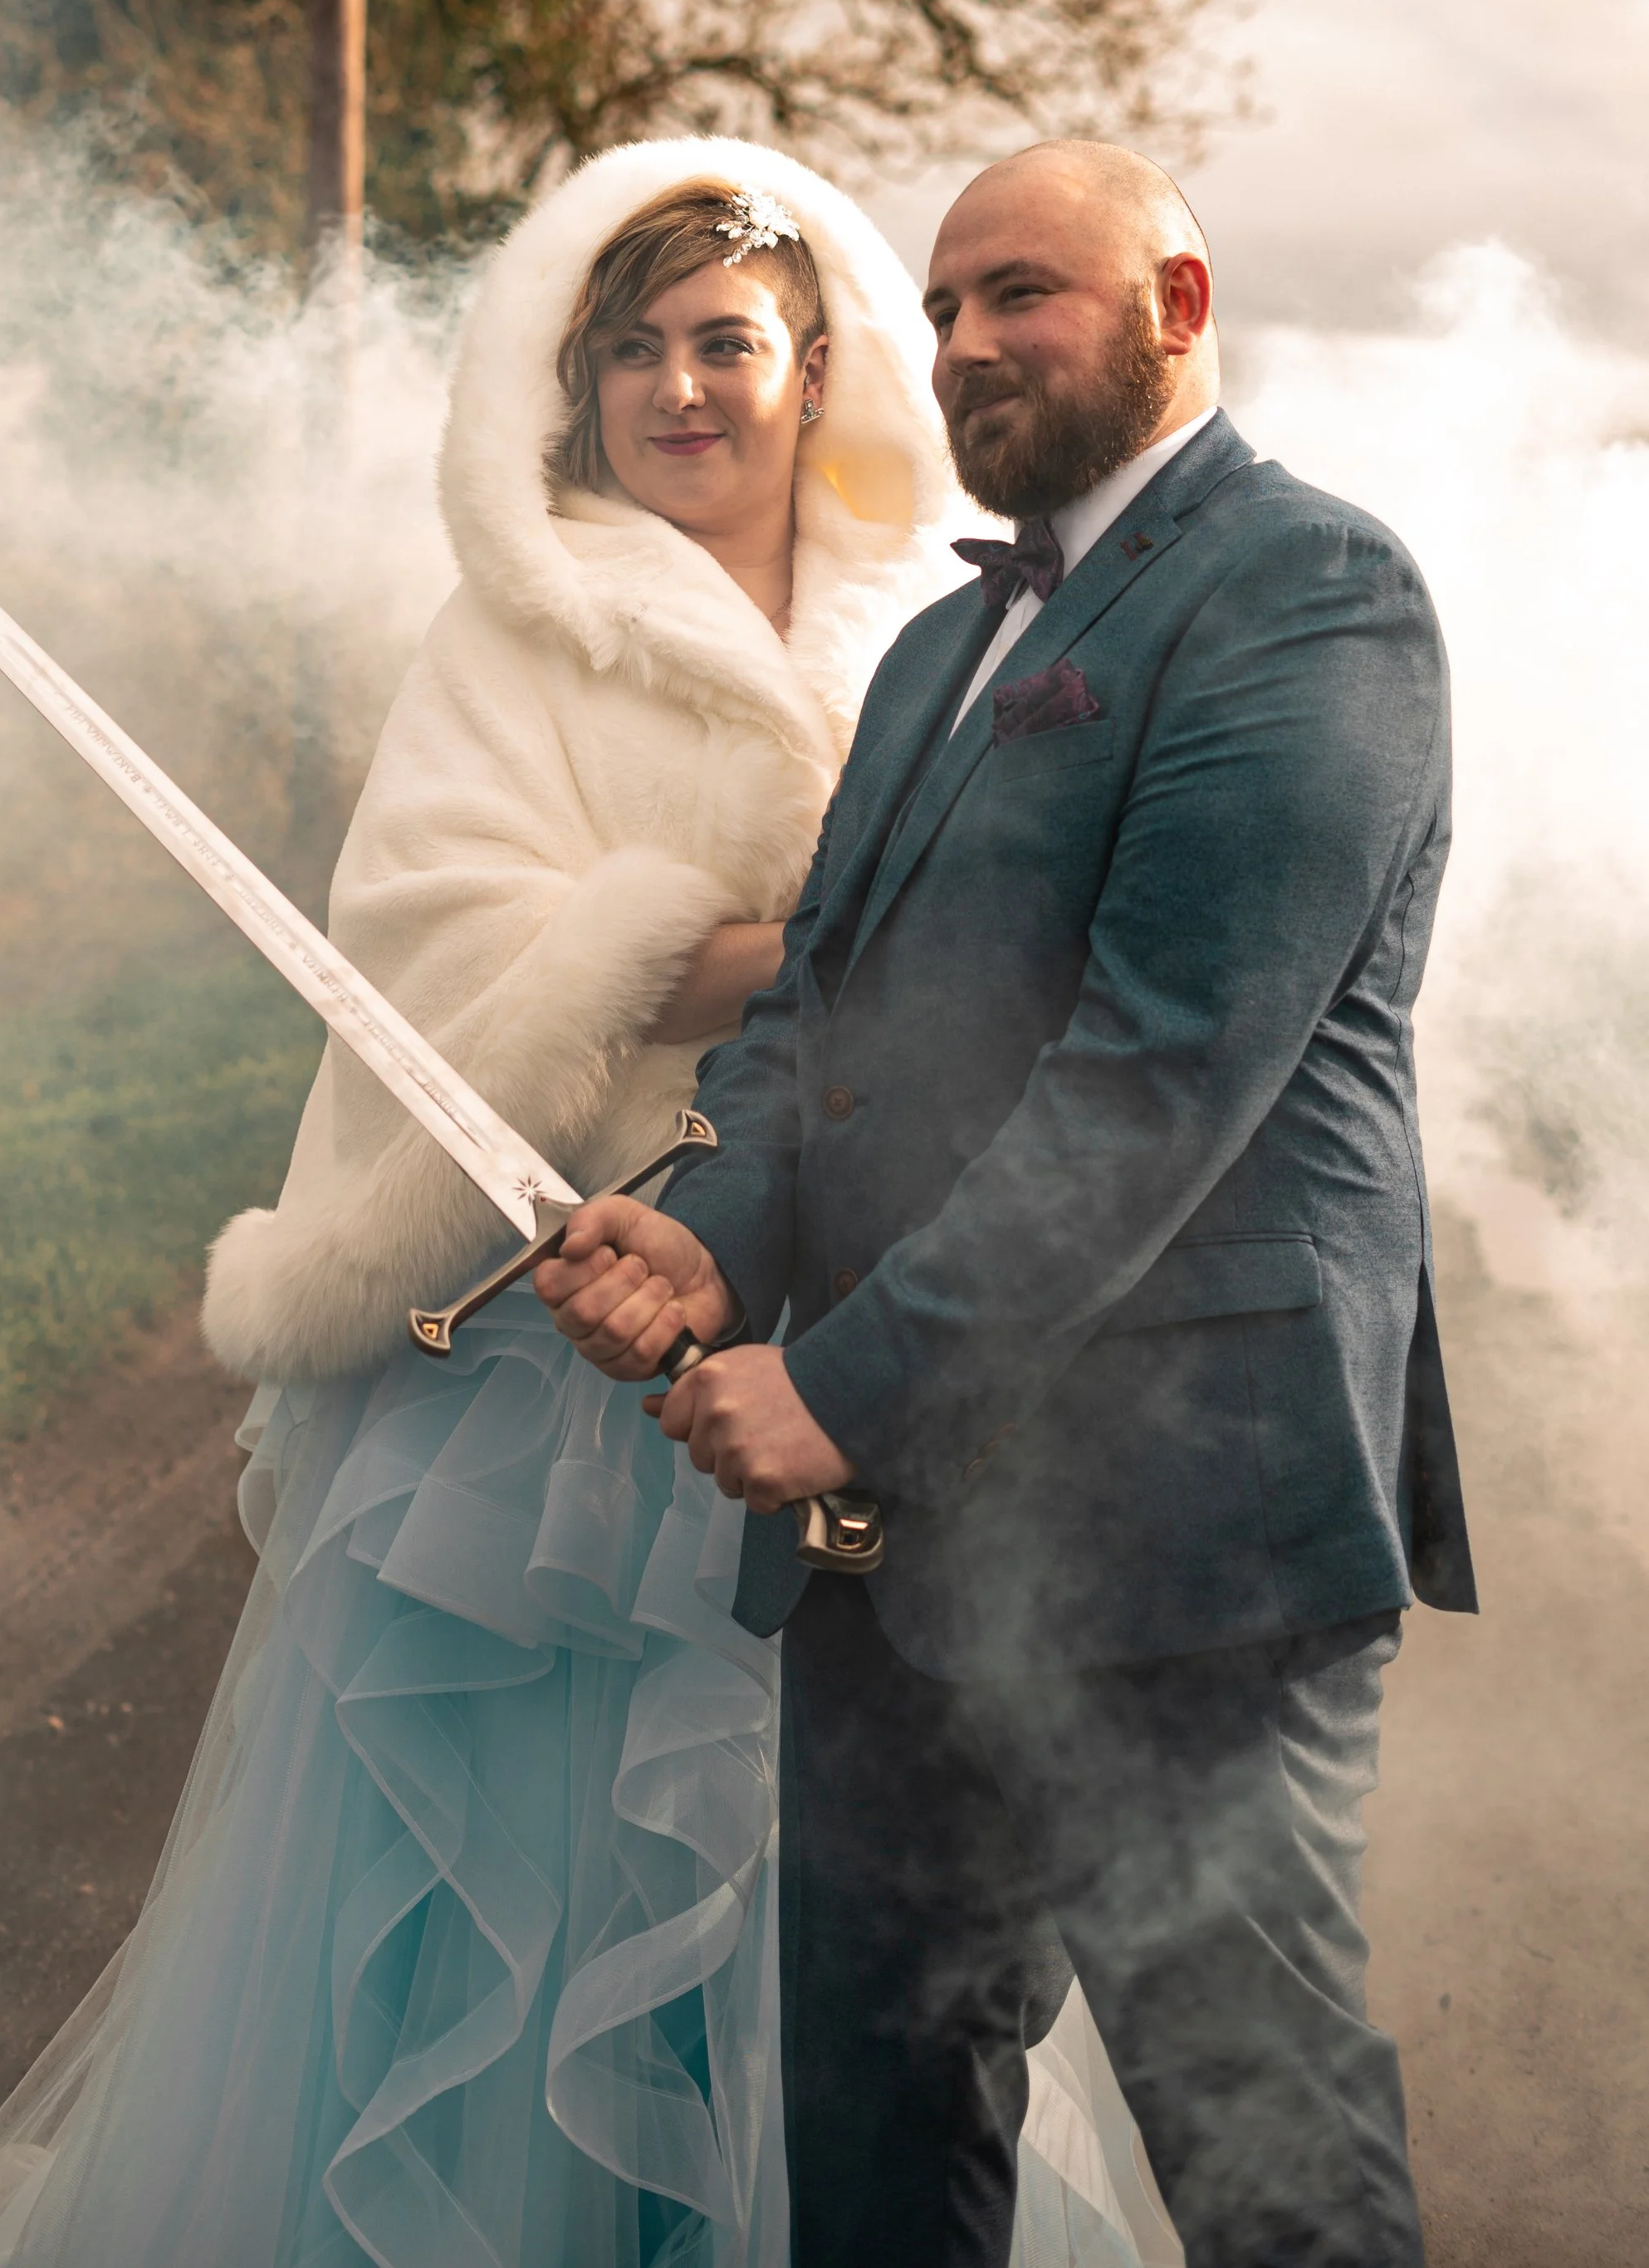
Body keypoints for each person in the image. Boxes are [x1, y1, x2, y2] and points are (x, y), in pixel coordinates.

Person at [0, 140, 1173, 2268]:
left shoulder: (930, 626)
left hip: (820, 1331)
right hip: (530, 1362)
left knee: (824, 1878)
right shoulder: (520, 628)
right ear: (567, 388)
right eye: (628, 348)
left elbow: (1014, 960)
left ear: (814, 364)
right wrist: (769, 942)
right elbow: (442, 938)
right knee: (516, 1884)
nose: (679, 388)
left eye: (725, 342)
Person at [540, 140, 1478, 2268]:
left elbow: (1158, 1081)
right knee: (876, 2144)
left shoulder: (1312, 590)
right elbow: (815, 1031)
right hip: (891, 1547)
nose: (966, 340)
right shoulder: (936, 647)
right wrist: (712, 1231)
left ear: (1173, 298)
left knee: (1266, 2161)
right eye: (945, 305)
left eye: (1023, 294)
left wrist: (840, 1381)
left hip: (1187, 1537)